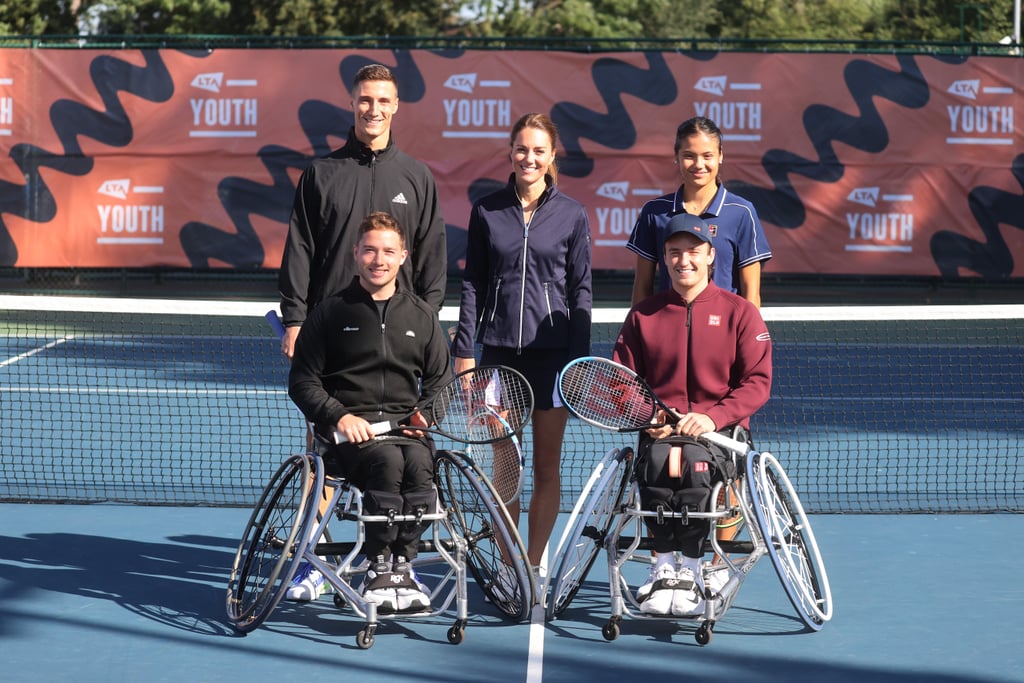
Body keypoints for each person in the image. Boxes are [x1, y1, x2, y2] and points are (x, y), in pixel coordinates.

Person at [451, 113, 593, 585]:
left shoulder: (572, 214)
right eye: (521, 149)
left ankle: (534, 562)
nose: (528, 158)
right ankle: (511, 565)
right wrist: (464, 349)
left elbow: (580, 290)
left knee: (547, 466)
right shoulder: (486, 210)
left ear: (552, 156)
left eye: (538, 150)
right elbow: (472, 283)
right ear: (509, 152)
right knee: (505, 467)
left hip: (553, 360)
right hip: (498, 359)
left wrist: (577, 360)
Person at [288, 212, 451, 614]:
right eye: (371, 250)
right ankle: (379, 566)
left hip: (405, 432)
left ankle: (402, 563)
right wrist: (339, 416)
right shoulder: (330, 313)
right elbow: (303, 382)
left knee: (416, 460)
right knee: (389, 460)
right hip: (349, 438)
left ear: (403, 257)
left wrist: (426, 417)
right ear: (356, 253)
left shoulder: (422, 316)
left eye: (388, 252)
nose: (379, 259)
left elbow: (442, 385)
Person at [613, 212, 771, 617]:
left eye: (693, 252)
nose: (685, 260)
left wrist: (713, 418)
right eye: (674, 253)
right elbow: (621, 382)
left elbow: (757, 381)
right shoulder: (643, 316)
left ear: (711, 256)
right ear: (664, 260)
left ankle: (696, 568)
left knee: (696, 468)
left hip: (718, 437)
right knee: (660, 465)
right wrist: (649, 416)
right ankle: (664, 567)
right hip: (660, 433)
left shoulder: (740, 312)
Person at [278, 63, 447, 360]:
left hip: (399, 329)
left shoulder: (417, 176)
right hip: (330, 325)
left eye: (383, 101)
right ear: (352, 102)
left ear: (395, 105)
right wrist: (294, 319)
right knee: (330, 409)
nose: (374, 110)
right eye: (366, 100)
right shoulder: (320, 174)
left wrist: (427, 318)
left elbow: (431, 254)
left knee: (395, 409)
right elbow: (300, 250)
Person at [627, 116, 771, 308]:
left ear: (720, 155)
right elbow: (642, 286)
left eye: (707, 155)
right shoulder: (654, 212)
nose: (698, 164)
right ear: (676, 156)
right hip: (669, 329)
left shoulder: (742, 212)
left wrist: (748, 336)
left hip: (723, 332)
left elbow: (751, 293)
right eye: (689, 155)